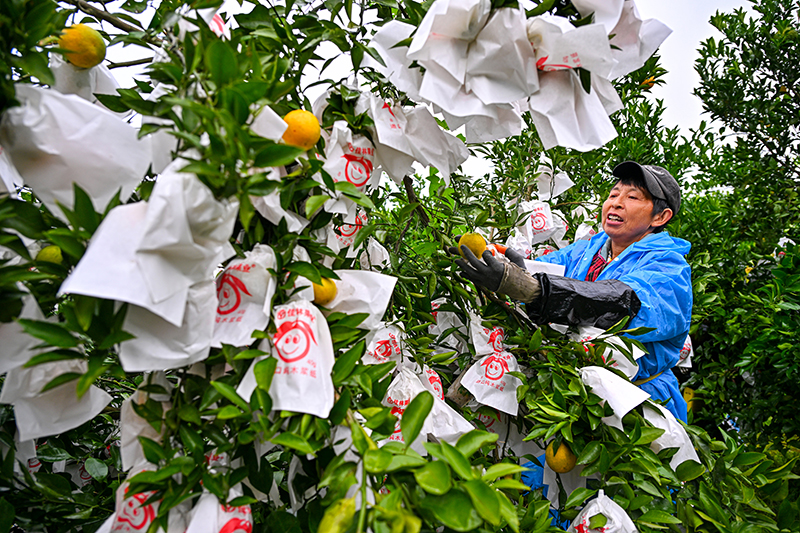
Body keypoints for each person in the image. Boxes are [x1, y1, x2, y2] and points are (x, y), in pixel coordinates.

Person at [453, 161, 692, 422]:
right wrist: (512, 267)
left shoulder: (669, 268)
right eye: (614, 194)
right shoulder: (588, 249)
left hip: (636, 400)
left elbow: (622, 301)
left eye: (632, 197)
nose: (616, 203)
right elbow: (548, 272)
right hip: (571, 389)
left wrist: (532, 289)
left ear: (660, 217)